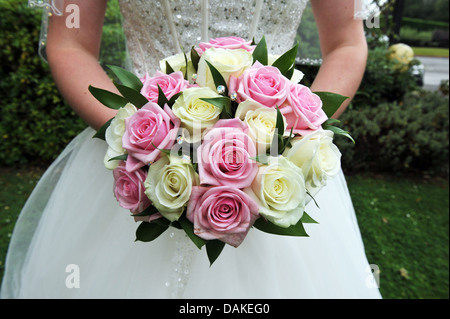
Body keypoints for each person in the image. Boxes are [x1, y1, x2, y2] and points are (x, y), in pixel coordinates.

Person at [1, 0, 381, 298]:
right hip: (139, 160)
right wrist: (144, 137)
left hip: (276, 163)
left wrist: (289, 134)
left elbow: (346, 43)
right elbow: (70, 43)